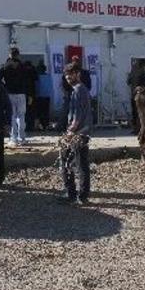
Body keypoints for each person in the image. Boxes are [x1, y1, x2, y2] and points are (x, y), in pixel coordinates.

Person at [61, 63, 94, 203]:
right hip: (78, 132)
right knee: (74, 164)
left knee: (78, 165)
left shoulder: (80, 90)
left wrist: (70, 131)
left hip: (78, 134)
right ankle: (75, 194)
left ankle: (79, 195)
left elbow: (78, 115)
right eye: (66, 75)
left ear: (77, 74)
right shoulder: (77, 89)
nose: (68, 77)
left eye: (71, 74)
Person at [0, 47, 28, 146]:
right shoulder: (23, 66)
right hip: (21, 93)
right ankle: (22, 138)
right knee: (21, 116)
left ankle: (13, 139)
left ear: (9, 55)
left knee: (12, 116)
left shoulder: (4, 66)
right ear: (18, 55)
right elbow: (28, 81)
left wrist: (5, 87)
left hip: (9, 93)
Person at [126, 60, 145, 133]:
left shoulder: (132, 73)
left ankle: (135, 128)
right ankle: (140, 129)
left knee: (134, 113)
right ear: (142, 65)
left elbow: (128, 82)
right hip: (141, 96)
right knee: (141, 113)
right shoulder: (143, 73)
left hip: (133, 95)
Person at [34, 62, 52, 131]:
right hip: (47, 96)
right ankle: (46, 125)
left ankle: (40, 125)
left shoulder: (37, 77)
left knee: (39, 112)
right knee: (46, 111)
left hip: (39, 96)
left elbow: (36, 87)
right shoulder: (48, 76)